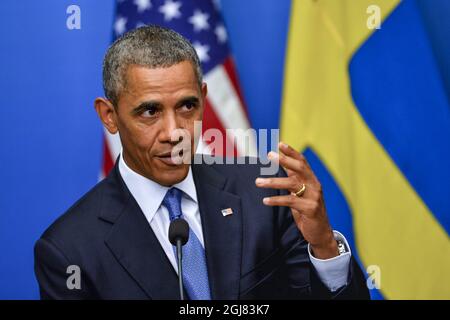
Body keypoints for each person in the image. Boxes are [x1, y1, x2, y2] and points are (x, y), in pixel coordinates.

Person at [34, 26, 369, 300]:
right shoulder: (69, 251)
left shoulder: (264, 191)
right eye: (150, 111)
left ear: (204, 101)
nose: (174, 132)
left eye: (187, 107)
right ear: (110, 116)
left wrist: (323, 244)